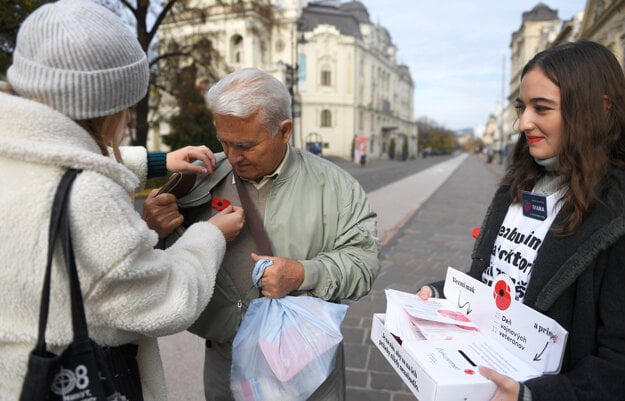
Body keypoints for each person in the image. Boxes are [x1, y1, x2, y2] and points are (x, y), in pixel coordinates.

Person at [0, 0, 245, 400]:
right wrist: (210, 235)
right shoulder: (87, 201)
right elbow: (169, 299)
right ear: (110, 106)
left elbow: (51, 155)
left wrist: (157, 161)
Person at [142, 67, 381, 401]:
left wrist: (302, 273)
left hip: (307, 363)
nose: (232, 156)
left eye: (245, 145)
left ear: (284, 132)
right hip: (225, 359)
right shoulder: (198, 178)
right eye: (224, 141)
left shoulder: (337, 186)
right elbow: (159, 265)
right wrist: (154, 230)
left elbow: (365, 264)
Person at [418, 40, 625, 401]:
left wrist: (535, 396)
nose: (524, 122)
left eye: (541, 108)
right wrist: (442, 293)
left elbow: (617, 364)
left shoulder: (614, 213)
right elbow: (496, 282)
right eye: (522, 107)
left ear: (600, 108)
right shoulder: (519, 184)